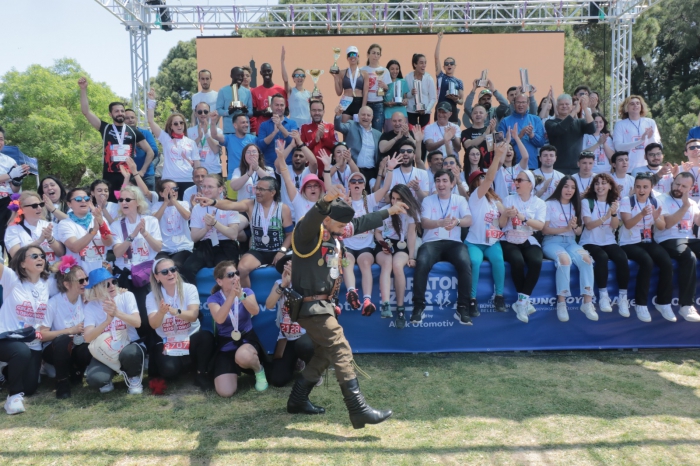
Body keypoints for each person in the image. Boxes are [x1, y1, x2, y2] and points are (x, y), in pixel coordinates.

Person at [285, 184, 405, 428]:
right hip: (312, 307)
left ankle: (297, 399)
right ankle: (358, 409)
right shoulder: (307, 234)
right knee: (341, 349)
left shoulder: (334, 231)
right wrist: (325, 201)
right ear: (327, 219)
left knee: (323, 354)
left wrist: (389, 211)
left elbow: (359, 223)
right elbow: (312, 219)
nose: (344, 231)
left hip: (323, 306)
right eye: (340, 226)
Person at [196, 176, 293, 288]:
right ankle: (247, 297)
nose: (257, 192)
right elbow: (230, 205)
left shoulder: (283, 208)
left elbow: (290, 234)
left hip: (278, 250)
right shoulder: (250, 204)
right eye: (256, 188)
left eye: (261, 189)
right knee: (241, 269)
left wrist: (282, 251)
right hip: (258, 250)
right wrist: (213, 202)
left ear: (272, 192)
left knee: (293, 268)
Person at [412, 169, 473, 324]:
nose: (441, 184)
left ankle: (462, 308)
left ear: (452, 183)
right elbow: (424, 223)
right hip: (431, 242)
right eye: (438, 181)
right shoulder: (428, 200)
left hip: (454, 243)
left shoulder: (460, 199)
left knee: (465, 263)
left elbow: (469, 220)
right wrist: (439, 223)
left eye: (445, 181)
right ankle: (418, 307)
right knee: (422, 262)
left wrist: (457, 222)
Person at [78, 77, 154, 200]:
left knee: (128, 203)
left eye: (122, 111)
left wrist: (143, 171)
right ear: (110, 114)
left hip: (128, 175)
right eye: (117, 111)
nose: (120, 113)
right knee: (111, 204)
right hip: (109, 175)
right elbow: (86, 112)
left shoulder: (134, 131)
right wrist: (83, 89)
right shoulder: (105, 128)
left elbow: (150, 152)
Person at [146, 258, 215, 393]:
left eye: (173, 269)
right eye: (165, 272)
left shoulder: (189, 288)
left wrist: (175, 312)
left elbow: (193, 315)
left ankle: (201, 374)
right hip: (168, 341)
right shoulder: (151, 296)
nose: (170, 273)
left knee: (206, 337)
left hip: (190, 337)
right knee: (169, 370)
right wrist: (161, 312)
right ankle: (184, 366)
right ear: (157, 277)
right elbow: (153, 324)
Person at [341, 160, 397, 315]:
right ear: (349, 185)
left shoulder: (370, 200)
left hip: (365, 245)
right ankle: (351, 292)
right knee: (346, 261)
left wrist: (390, 169)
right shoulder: (343, 201)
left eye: (360, 181)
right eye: (353, 181)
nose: (356, 183)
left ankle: (367, 300)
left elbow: (385, 188)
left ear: (364, 185)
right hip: (348, 245)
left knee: (365, 263)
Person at [0, 246, 51, 414]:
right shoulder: (11, 278)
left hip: (32, 341)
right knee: (21, 352)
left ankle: (6, 370)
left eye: (42, 255)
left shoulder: (47, 283)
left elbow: (71, 285)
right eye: (34, 256)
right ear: (22, 263)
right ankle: (13, 398)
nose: (40, 258)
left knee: (29, 388)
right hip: (6, 338)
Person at [110, 185, 162, 346]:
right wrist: (133, 235)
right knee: (129, 312)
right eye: (121, 200)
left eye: (127, 199)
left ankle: (151, 346)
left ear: (138, 202)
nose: (123, 203)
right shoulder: (117, 225)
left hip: (146, 274)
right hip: (125, 274)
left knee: (146, 312)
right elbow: (117, 252)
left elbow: (158, 248)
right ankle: (135, 346)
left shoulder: (151, 221)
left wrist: (144, 233)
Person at [207, 261, 268, 397]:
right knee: (225, 392)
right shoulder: (213, 299)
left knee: (243, 356)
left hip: (247, 339)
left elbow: (255, 311)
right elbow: (219, 319)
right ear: (219, 281)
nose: (235, 277)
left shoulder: (247, 292)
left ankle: (259, 371)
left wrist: (240, 296)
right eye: (230, 275)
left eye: (237, 273)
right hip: (226, 344)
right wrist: (231, 296)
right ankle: (233, 370)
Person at [618, 173, 674, 322]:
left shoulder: (655, 201)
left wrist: (656, 218)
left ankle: (663, 302)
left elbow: (661, 227)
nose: (641, 190)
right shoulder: (627, 201)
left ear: (651, 188)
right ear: (634, 187)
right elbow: (628, 224)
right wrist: (642, 214)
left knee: (666, 261)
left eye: (645, 187)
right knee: (646, 261)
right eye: (638, 187)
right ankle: (640, 304)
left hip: (647, 240)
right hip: (628, 242)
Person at [542, 176, 596, 322]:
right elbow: (544, 230)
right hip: (552, 241)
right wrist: (565, 228)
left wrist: (574, 227)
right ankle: (562, 302)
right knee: (564, 260)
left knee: (586, 259)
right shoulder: (549, 204)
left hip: (571, 242)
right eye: (566, 186)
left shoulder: (576, 205)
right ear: (560, 187)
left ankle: (587, 302)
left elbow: (578, 232)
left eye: (573, 187)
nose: (569, 190)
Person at [83, 268, 145, 395]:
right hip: (106, 350)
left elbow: (137, 322)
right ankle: (108, 378)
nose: (112, 286)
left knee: (130, 354)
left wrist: (117, 313)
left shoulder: (126, 296)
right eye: (106, 285)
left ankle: (133, 377)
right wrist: (106, 321)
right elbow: (87, 338)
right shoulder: (90, 307)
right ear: (96, 288)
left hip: (129, 344)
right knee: (95, 379)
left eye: (113, 282)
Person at [464, 140, 508, 315]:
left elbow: (502, 223)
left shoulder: (496, 200)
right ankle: (472, 299)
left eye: (483, 177)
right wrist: (497, 156)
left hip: (493, 241)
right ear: (474, 183)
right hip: (474, 242)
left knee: (499, 261)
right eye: (480, 178)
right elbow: (490, 178)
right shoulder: (476, 196)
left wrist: (508, 213)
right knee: (475, 262)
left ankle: (499, 297)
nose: (484, 179)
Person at [499, 170, 546, 322]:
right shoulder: (508, 199)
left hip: (528, 237)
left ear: (530, 184)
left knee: (536, 261)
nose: (516, 183)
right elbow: (501, 225)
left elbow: (540, 226)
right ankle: (524, 302)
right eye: (516, 180)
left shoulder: (539, 203)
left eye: (520, 180)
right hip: (509, 238)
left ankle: (521, 302)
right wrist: (506, 214)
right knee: (517, 261)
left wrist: (523, 218)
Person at [40, 257, 90, 399]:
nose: (85, 283)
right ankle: (62, 382)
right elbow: (41, 334)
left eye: (86, 279)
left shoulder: (86, 298)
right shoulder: (53, 303)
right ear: (67, 284)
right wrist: (70, 331)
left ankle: (76, 371)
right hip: (55, 349)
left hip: (77, 345)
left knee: (89, 345)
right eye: (81, 281)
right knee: (63, 340)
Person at [580, 173, 630, 315]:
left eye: (603, 183)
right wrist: (606, 216)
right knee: (601, 257)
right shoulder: (587, 202)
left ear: (610, 186)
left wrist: (613, 214)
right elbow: (589, 225)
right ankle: (603, 296)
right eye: (597, 183)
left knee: (622, 257)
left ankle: (623, 298)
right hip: (589, 241)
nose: (600, 186)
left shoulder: (614, 203)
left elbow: (614, 226)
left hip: (608, 241)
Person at [653, 172, 700, 322]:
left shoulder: (692, 202)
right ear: (672, 182)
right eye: (677, 184)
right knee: (689, 257)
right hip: (668, 238)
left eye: (684, 186)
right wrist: (685, 206)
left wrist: (689, 206)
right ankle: (686, 305)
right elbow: (667, 224)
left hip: (690, 238)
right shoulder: (661, 199)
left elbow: (697, 221)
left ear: (691, 188)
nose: (679, 188)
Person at [265, 256, 316, 387]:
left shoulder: (308, 283)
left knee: (305, 346)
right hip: (286, 337)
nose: (289, 267)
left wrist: (297, 281)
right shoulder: (279, 283)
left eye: (293, 264)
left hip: (306, 335)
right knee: (278, 380)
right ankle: (296, 362)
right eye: (287, 265)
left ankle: (314, 369)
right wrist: (283, 285)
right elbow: (269, 305)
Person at [374, 184, 420, 326]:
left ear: (405, 199)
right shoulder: (384, 211)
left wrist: (411, 256)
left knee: (397, 265)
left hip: (402, 244)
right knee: (387, 263)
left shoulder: (411, 212)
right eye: (393, 198)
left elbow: (411, 235)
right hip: (384, 243)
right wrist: (383, 244)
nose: (394, 202)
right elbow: (377, 233)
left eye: (398, 199)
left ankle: (401, 309)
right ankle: (386, 304)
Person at [181, 174, 241, 285]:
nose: (205, 190)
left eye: (210, 187)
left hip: (226, 245)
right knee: (186, 269)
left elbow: (233, 234)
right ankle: (192, 296)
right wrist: (206, 228)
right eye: (204, 186)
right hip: (206, 245)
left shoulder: (230, 206)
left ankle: (228, 295)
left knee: (226, 272)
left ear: (220, 189)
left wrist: (215, 223)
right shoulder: (197, 208)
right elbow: (194, 238)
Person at [147, 88, 200, 196]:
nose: (179, 125)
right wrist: (151, 101)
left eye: (181, 123)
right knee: (170, 206)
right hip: (170, 181)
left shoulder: (191, 142)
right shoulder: (166, 139)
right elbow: (151, 121)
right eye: (175, 124)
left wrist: (199, 179)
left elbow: (197, 164)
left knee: (189, 206)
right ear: (171, 126)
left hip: (188, 180)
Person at [56, 187, 113, 274]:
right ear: (69, 204)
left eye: (86, 199)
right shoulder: (65, 223)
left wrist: (102, 224)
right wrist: (93, 231)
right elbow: (75, 247)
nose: (83, 201)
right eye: (78, 199)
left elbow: (108, 243)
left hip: (100, 273)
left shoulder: (99, 218)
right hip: (79, 275)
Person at [5, 191, 65, 263]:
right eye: (34, 206)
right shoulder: (13, 229)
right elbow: (16, 256)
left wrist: (50, 238)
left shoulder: (51, 225)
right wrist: (39, 241)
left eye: (41, 204)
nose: (39, 208)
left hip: (53, 269)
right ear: (22, 209)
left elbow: (61, 253)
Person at [545, 94, 596, 174]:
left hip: (576, 167)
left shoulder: (579, 122)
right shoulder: (550, 122)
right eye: (561, 104)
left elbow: (592, 129)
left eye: (567, 104)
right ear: (557, 107)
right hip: (557, 167)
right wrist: (574, 112)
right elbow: (559, 129)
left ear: (572, 106)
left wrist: (585, 108)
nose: (564, 106)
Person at [152, 179, 193, 270]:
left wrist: (174, 201)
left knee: (175, 265)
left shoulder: (184, 203)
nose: (173, 192)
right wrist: (166, 202)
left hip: (183, 246)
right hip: (164, 248)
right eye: (169, 190)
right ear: (161, 193)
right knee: (161, 267)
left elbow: (187, 216)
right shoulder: (156, 206)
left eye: (175, 189)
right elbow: (154, 221)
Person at [334, 105, 382, 182]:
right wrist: (338, 115)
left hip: (372, 172)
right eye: (363, 114)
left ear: (372, 117)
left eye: (368, 115)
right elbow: (339, 127)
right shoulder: (351, 125)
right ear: (358, 116)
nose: (365, 117)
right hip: (353, 169)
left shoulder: (378, 134)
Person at [275, 136, 319, 221]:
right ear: (292, 158)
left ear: (306, 160)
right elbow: (277, 164)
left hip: (305, 216)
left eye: (301, 156)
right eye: (295, 156)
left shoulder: (309, 171)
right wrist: (291, 146)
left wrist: (300, 143)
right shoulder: (286, 169)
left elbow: (314, 162)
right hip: (286, 217)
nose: (298, 158)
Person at [613, 95, 661, 171]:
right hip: (628, 169)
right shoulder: (620, 125)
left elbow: (656, 146)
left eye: (638, 103)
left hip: (647, 168)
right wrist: (640, 141)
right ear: (626, 108)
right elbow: (618, 147)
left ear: (641, 106)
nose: (635, 105)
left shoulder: (650, 122)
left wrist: (650, 137)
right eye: (632, 104)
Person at [497, 94, 546, 170]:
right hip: (511, 166)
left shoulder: (536, 119)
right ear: (514, 104)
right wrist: (519, 136)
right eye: (518, 102)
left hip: (531, 165)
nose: (521, 105)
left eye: (523, 102)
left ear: (528, 103)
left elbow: (541, 143)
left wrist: (532, 135)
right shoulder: (505, 121)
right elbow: (500, 144)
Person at [208, 111, 255, 179]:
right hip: (233, 177)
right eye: (243, 122)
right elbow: (214, 135)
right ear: (235, 125)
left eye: (247, 122)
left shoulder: (254, 139)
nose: (246, 125)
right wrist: (213, 121)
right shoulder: (229, 138)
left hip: (251, 177)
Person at [256, 94, 299, 167]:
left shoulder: (292, 123)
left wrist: (280, 126)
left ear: (285, 106)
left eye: (282, 105)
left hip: (288, 166)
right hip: (269, 167)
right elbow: (260, 147)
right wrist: (274, 133)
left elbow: (294, 143)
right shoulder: (264, 125)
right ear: (271, 106)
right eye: (277, 105)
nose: (279, 108)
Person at [333, 46, 370, 123]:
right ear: (347, 58)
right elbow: (339, 92)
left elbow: (365, 92)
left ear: (358, 57)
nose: (352, 57)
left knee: (359, 128)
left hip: (359, 102)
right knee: (345, 127)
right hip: (346, 103)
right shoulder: (342, 73)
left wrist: (363, 108)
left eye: (354, 54)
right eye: (350, 54)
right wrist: (335, 78)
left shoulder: (364, 73)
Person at [124, 108, 158, 191]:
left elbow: (154, 151)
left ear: (136, 119)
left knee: (149, 198)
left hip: (146, 175)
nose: (130, 120)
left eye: (132, 117)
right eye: (127, 118)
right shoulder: (120, 135)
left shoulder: (145, 133)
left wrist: (143, 171)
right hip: (127, 176)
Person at [433, 32, 464, 123]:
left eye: (451, 63)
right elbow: (436, 58)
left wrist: (455, 99)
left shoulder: (459, 81)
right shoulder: (441, 76)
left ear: (455, 66)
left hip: (452, 109)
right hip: (440, 108)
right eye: (446, 64)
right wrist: (439, 40)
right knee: (438, 131)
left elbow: (461, 101)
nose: (449, 65)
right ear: (443, 67)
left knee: (452, 131)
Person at [494, 125, 530, 200]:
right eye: (506, 150)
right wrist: (507, 141)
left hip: (518, 203)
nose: (508, 151)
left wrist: (516, 137)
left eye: (511, 149)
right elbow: (500, 161)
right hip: (502, 203)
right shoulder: (498, 169)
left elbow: (526, 157)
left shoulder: (518, 168)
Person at [300, 100, 337, 173]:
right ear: (310, 112)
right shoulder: (304, 127)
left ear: (323, 112)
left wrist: (323, 137)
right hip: (310, 170)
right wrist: (315, 140)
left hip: (328, 169)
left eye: (319, 110)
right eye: (314, 110)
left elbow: (335, 146)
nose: (317, 113)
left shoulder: (330, 126)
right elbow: (302, 147)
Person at [187, 102, 222, 176]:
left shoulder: (217, 131)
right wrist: (199, 138)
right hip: (196, 172)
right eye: (200, 112)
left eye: (205, 111)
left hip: (213, 171)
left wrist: (206, 134)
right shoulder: (189, 131)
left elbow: (216, 150)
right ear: (196, 114)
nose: (203, 114)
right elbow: (188, 151)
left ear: (209, 113)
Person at [251, 63, 287, 134]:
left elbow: (287, 111)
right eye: (264, 71)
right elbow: (253, 112)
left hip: (278, 128)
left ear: (272, 72)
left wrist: (276, 112)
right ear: (261, 73)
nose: (267, 73)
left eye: (268, 71)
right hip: (262, 129)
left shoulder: (281, 90)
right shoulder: (255, 91)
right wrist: (263, 112)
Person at [215, 66, 253, 135]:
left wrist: (245, 110)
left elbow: (251, 112)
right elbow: (219, 110)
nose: (240, 78)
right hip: (229, 130)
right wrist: (229, 111)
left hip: (244, 130)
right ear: (231, 76)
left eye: (241, 76)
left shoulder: (247, 92)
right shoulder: (223, 90)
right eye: (238, 75)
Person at [361, 44, 390, 131]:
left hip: (378, 104)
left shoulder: (385, 71)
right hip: (365, 103)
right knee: (363, 129)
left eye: (378, 53)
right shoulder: (362, 70)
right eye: (373, 53)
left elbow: (388, 90)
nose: (376, 56)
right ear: (368, 54)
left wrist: (385, 87)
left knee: (377, 131)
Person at [281, 47, 312, 128]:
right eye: (297, 75)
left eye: (302, 75)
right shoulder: (291, 91)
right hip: (295, 123)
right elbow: (285, 80)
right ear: (293, 78)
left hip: (307, 123)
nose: (299, 77)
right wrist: (282, 61)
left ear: (304, 78)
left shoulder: (309, 93)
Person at [405, 53, 436, 128]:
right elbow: (405, 95)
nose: (424, 65)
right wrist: (411, 93)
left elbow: (433, 98)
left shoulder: (429, 78)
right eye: (421, 63)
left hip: (425, 112)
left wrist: (426, 110)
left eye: (425, 63)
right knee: (412, 134)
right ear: (415, 64)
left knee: (425, 134)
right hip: (411, 111)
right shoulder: (408, 77)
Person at [382, 60, 409, 131]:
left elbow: (405, 98)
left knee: (403, 135)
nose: (395, 71)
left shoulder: (403, 82)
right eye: (392, 69)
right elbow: (381, 101)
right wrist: (387, 103)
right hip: (389, 115)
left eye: (397, 69)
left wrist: (405, 101)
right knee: (390, 136)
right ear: (388, 70)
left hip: (402, 114)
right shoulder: (383, 83)